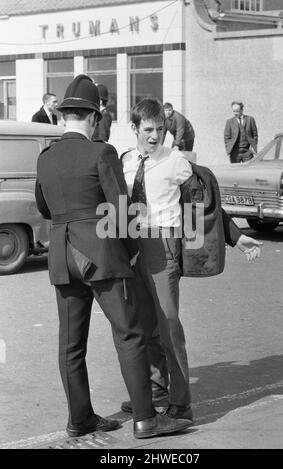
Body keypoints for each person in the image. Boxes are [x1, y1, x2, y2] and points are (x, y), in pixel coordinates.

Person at [35, 75, 192, 440]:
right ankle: (146, 419)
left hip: (61, 256)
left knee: (71, 345)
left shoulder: (45, 156)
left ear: (63, 116)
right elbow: (122, 212)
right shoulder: (101, 152)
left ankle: (80, 419)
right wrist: (134, 255)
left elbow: (44, 208)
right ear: (93, 116)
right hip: (101, 256)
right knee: (131, 334)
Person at [121, 97, 263, 421]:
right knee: (144, 325)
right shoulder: (126, 161)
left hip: (164, 248)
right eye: (147, 130)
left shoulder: (176, 162)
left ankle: (181, 403)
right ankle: (157, 388)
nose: (154, 136)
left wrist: (237, 236)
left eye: (159, 129)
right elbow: (118, 209)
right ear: (134, 129)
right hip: (134, 248)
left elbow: (205, 208)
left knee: (168, 325)